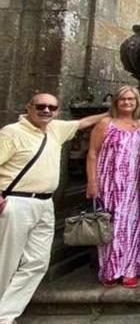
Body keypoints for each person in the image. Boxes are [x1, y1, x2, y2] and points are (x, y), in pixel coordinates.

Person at [0, 94, 105, 322]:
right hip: (16, 202)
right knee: (5, 261)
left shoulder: (55, 129)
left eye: (52, 107)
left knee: (37, 262)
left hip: (45, 204)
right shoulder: (12, 133)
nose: (46, 110)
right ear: (29, 107)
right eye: (41, 106)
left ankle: (5, 315)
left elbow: (83, 122)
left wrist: (114, 111)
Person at [85, 87, 140, 288]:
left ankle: (130, 269)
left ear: (137, 102)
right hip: (109, 182)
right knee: (110, 225)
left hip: (133, 185)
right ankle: (111, 269)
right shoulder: (105, 123)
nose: (127, 102)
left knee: (132, 226)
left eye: (131, 99)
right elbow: (93, 153)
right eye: (122, 99)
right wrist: (92, 182)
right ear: (116, 102)